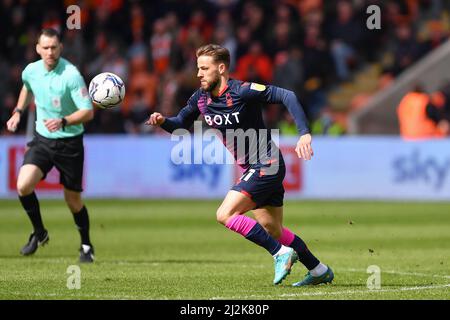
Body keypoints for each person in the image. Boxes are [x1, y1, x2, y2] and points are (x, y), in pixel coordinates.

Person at [146, 44, 333, 286]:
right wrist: (162, 121)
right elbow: (180, 123)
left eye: (204, 68)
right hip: (256, 168)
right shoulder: (200, 99)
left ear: (221, 68)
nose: (199, 74)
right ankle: (318, 270)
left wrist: (305, 133)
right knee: (273, 229)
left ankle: (280, 253)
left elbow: (288, 96)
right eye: (198, 69)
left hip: (267, 163)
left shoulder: (243, 91)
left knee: (225, 214)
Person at [6, 28, 95, 263]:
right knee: (23, 186)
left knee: (72, 200)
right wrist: (17, 111)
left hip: (70, 143)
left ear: (60, 48)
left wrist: (64, 121)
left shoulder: (71, 75)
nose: (50, 52)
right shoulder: (31, 70)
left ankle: (86, 246)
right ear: (38, 49)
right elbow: (27, 86)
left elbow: (88, 112)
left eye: (54, 47)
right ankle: (39, 232)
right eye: (45, 47)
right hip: (43, 140)